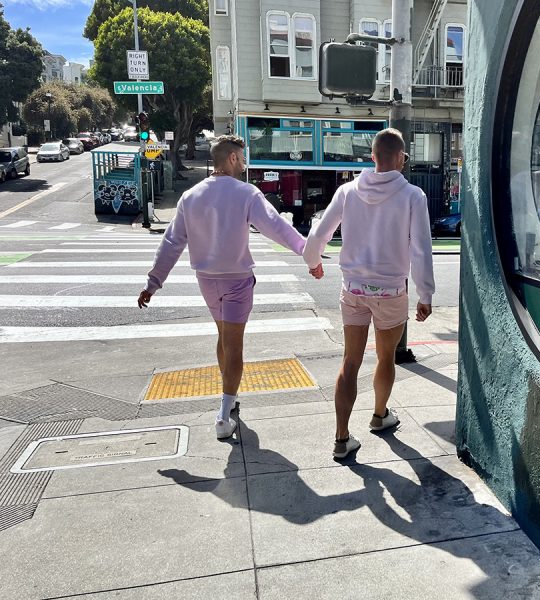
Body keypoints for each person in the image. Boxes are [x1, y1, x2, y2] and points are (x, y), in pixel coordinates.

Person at [137, 135, 318, 440]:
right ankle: (223, 416)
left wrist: (153, 283)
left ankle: (228, 399)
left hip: (206, 280)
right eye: (242, 158)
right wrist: (308, 253)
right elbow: (276, 227)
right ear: (232, 158)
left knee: (223, 338)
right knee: (234, 345)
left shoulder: (191, 196)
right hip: (237, 281)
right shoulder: (246, 193)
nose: (244, 164)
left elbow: (171, 242)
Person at [303, 128, 435, 459]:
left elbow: (319, 233)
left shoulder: (347, 192)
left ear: (372, 156)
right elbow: (421, 249)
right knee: (385, 357)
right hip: (391, 291)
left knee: (350, 361)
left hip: (353, 289)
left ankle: (342, 437)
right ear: (402, 160)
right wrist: (426, 294)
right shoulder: (413, 196)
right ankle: (379, 416)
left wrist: (314, 262)